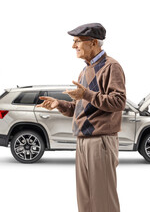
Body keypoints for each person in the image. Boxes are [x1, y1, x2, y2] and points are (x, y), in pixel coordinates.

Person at [37, 23, 126, 212]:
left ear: (94, 43)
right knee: (85, 202)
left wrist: (85, 94)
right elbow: (83, 107)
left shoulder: (111, 67)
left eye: (77, 41)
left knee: (103, 202)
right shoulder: (85, 70)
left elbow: (118, 102)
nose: (73, 46)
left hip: (100, 142)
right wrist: (60, 104)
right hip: (83, 141)